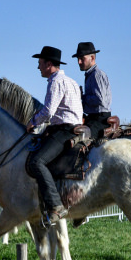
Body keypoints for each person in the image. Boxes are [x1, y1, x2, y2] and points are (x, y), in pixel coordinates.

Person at [25, 46, 83, 228]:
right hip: (74, 127)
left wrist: (33, 121)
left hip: (63, 130)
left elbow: (49, 110)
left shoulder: (55, 82)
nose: (38, 67)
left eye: (40, 63)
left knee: (36, 162)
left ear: (49, 64)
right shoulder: (71, 81)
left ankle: (56, 206)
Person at [73, 42, 112, 140]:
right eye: (78, 59)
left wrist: (83, 97)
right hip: (94, 118)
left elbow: (100, 99)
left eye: (82, 59)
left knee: (80, 140)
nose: (79, 62)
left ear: (92, 58)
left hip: (100, 120)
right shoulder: (91, 75)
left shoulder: (96, 75)